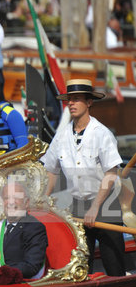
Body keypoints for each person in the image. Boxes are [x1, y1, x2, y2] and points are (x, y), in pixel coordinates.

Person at [41, 79, 126, 276]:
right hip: (79, 206)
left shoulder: (102, 134)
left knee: (114, 265)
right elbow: (51, 170)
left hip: (106, 205)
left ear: (89, 103)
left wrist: (95, 207)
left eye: (77, 99)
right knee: (79, 267)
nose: (71, 103)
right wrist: (43, 198)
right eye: (69, 99)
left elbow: (111, 173)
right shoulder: (61, 136)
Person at [0, 181, 48, 284]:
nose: (11, 202)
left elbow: (31, 266)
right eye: (7, 198)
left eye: (16, 197)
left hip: (19, 286)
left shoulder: (35, 227)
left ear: (26, 202)